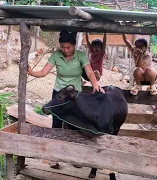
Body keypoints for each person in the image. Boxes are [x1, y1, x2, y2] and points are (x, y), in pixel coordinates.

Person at [27, 30, 104, 169]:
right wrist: (31, 72)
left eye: (68, 47)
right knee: (56, 124)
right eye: (63, 47)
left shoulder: (81, 55)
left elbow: (89, 72)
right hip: (59, 96)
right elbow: (44, 72)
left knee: (75, 127)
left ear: (74, 45)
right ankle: (54, 158)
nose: (65, 50)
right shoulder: (56, 55)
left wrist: (95, 85)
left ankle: (74, 157)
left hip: (75, 97)